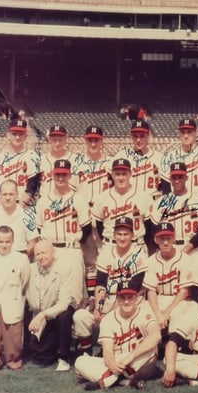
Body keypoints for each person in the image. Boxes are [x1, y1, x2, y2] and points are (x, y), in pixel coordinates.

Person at [74, 287, 161, 391]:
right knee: (80, 361)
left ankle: (105, 381)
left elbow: (156, 336)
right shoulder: (108, 319)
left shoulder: (145, 313)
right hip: (117, 362)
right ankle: (123, 381)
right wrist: (111, 364)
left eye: (130, 298)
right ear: (118, 300)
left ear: (137, 298)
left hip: (137, 360)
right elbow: (107, 351)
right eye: (123, 298)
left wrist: (129, 357)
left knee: (152, 350)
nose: (127, 301)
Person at [25, 239, 84, 372]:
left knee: (64, 316)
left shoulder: (64, 269)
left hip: (58, 310)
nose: (41, 257)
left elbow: (63, 303)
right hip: (39, 311)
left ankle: (64, 357)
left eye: (44, 253)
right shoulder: (30, 269)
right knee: (42, 359)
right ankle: (25, 348)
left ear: (53, 253)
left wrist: (43, 315)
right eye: (37, 254)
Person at [34, 158, 92, 290]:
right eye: (58, 174)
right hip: (50, 251)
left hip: (71, 250)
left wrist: (74, 243)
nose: (61, 178)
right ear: (52, 175)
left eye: (64, 175)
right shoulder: (43, 201)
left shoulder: (79, 200)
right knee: (49, 294)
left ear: (70, 176)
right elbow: (38, 229)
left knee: (73, 295)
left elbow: (87, 229)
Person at [0, 225, 30, 371]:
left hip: (12, 299)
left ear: (13, 241)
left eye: (7, 242)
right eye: (0, 242)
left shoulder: (21, 259)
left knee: (13, 333)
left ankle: (14, 361)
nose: (4, 245)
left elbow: (24, 280)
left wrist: (16, 296)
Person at [73, 125, 113, 295]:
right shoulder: (77, 163)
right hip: (85, 215)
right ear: (85, 140)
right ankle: (91, 299)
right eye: (90, 139)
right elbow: (71, 192)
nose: (93, 143)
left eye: (96, 139)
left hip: (105, 215)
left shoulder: (110, 163)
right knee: (90, 262)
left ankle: (108, 296)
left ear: (102, 141)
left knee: (107, 258)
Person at [141, 221, 191, 343]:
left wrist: (167, 311)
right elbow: (151, 291)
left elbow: (184, 292)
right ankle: (154, 344)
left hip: (179, 300)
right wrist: (158, 312)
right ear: (155, 240)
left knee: (178, 312)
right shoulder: (151, 260)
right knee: (143, 309)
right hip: (160, 298)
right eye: (161, 238)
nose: (165, 242)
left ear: (174, 238)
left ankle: (176, 345)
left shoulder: (185, 259)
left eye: (168, 238)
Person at [93, 218, 148, 318]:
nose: (122, 238)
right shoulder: (105, 253)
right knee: (81, 317)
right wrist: (98, 308)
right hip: (108, 300)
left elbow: (134, 288)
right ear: (114, 235)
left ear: (132, 235)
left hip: (132, 302)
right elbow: (101, 285)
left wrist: (109, 311)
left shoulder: (139, 255)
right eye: (119, 234)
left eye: (125, 234)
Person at [151, 161, 198, 252]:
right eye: (174, 177)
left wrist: (190, 246)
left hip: (192, 249)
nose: (177, 181)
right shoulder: (160, 202)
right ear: (170, 179)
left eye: (180, 177)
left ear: (186, 177)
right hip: (169, 248)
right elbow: (154, 229)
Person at [91, 158, 148, 250]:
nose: (121, 178)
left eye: (124, 174)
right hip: (110, 245)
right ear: (112, 175)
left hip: (136, 245)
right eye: (117, 174)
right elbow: (99, 226)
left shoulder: (144, 196)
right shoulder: (101, 198)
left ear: (130, 174)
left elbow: (149, 226)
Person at [0, 116, 40, 205]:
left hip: (25, 206)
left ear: (26, 136)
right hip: (4, 207)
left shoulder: (32, 156)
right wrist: (5, 207)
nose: (17, 137)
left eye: (21, 134)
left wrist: (20, 207)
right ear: (8, 135)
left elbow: (32, 187)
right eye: (14, 134)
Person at [160, 117, 198, 194]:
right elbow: (166, 184)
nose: (186, 136)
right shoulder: (170, 156)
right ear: (179, 134)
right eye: (183, 132)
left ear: (196, 132)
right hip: (176, 202)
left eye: (189, 132)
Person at [124, 117, 161, 198]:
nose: (138, 140)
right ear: (131, 136)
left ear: (148, 135)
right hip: (129, 201)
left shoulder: (159, 157)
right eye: (135, 136)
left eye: (142, 136)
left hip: (153, 200)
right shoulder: (122, 157)